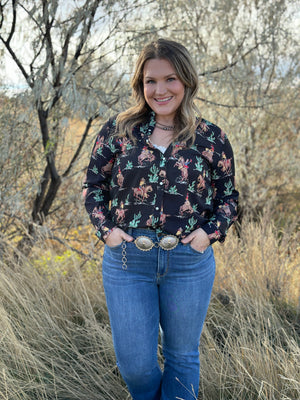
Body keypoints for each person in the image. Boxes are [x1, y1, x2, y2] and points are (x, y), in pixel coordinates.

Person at [83, 38, 239, 400]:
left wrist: (208, 234)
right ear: (140, 84)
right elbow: (93, 188)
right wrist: (107, 231)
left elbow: (228, 198)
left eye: (170, 79)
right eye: (150, 81)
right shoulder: (118, 131)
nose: (160, 89)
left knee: (182, 357)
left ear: (186, 80)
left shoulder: (211, 137)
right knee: (135, 366)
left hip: (189, 261)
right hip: (127, 261)